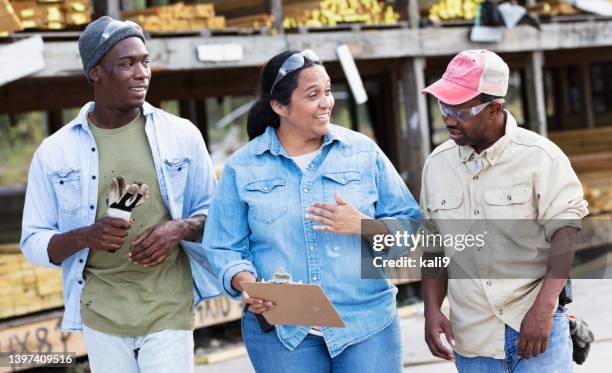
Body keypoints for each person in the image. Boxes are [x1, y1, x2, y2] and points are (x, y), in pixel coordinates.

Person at [202, 49, 422, 373]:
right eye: (313, 94)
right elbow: (222, 246)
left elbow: (411, 224)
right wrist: (247, 283)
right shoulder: (242, 168)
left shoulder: (362, 152)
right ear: (280, 106)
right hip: (283, 330)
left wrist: (365, 226)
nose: (326, 102)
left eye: (329, 91)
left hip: (366, 323)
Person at [20, 16, 218, 373]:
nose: (142, 72)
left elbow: (216, 215)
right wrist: (86, 236)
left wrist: (180, 228)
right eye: (127, 64)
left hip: (168, 306)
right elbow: (33, 241)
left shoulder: (182, 136)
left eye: (145, 61)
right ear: (95, 72)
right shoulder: (55, 153)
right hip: (101, 312)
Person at [420, 49, 588, 372]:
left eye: (462, 109)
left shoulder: (542, 158)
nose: (449, 119)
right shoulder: (436, 165)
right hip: (472, 339)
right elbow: (434, 244)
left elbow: (566, 235)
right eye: (444, 106)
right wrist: (431, 308)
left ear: (495, 108)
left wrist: (544, 309)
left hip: (535, 327)